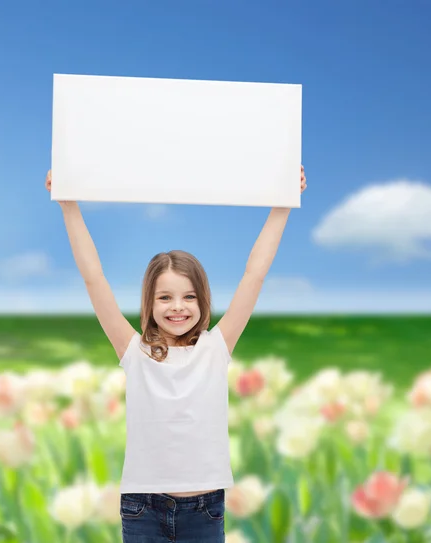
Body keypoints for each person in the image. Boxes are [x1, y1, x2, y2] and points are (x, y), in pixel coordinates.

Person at [45, 166, 307, 542]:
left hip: (204, 509)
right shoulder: (133, 350)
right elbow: (94, 277)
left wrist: (282, 205)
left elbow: (254, 274)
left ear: (203, 300)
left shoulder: (216, 347)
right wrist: (68, 204)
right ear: (148, 303)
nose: (177, 307)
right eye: (164, 297)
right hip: (142, 508)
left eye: (188, 297)